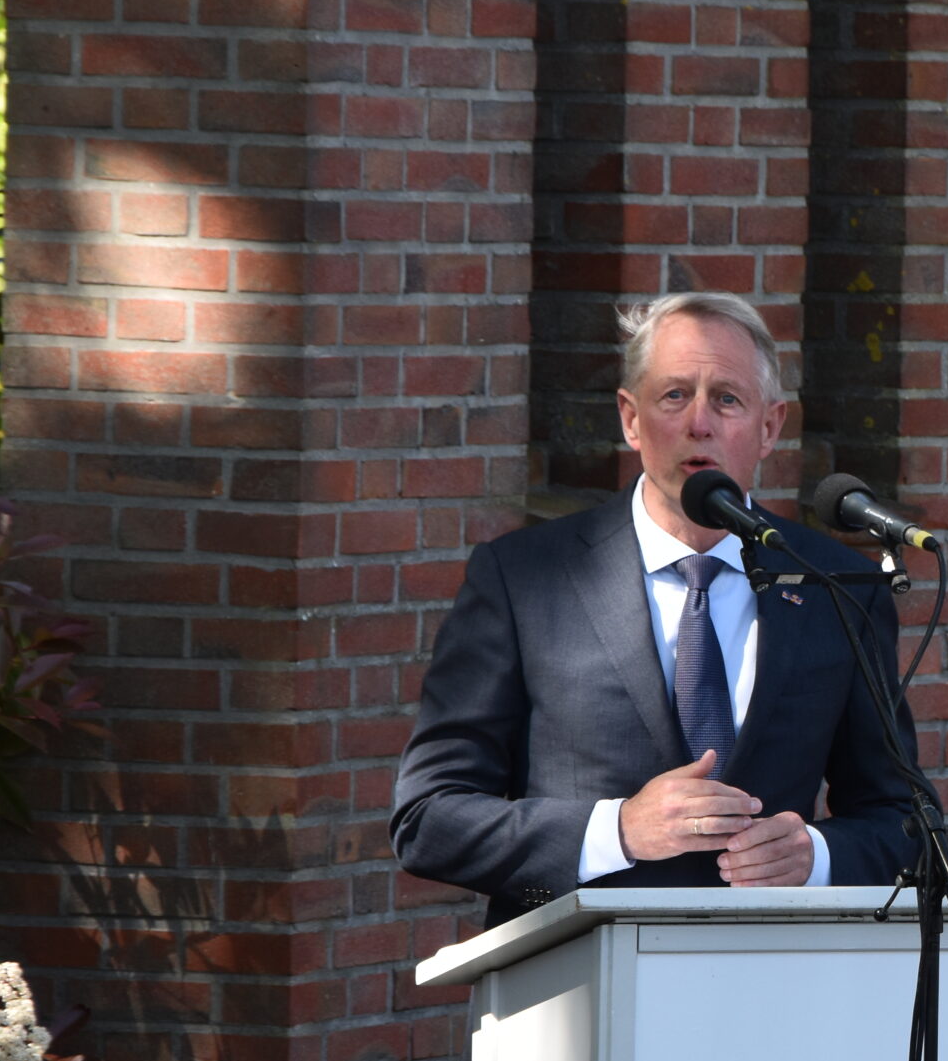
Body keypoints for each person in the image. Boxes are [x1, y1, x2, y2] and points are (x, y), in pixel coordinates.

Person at [392, 292, 917, 927]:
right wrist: (618, 830)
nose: (700, 423)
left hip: (774, 977)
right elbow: (429, 817)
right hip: (575, 984)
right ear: (630, 418)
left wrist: (818, 854)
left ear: (771, 426)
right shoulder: (523, 577)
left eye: (727, 399)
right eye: (674, 396)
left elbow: (904, 821)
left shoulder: (837, 586)